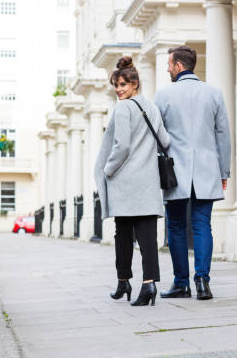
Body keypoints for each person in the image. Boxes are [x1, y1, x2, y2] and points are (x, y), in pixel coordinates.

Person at [154, 45, 231, 300]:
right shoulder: (214, 93)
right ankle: (202, 281)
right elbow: (223, 136)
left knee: (175, 227)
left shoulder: (163, 95)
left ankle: (181, 284)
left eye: (169, 64)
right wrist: (224, 171)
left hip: (175, 171)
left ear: (178, 65)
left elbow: (157, 136)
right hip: (207, 169)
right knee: (202, 225)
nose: (167, 68)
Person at [94, 56, 170, 307]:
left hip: (125, 181)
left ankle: (123, 280)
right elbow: (165, 141)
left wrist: (108, 169)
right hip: (147, 180)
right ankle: (149, 284)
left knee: (123, 235)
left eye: (123, 85)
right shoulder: (151, 106)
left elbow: (122, 145)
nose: (118, 90)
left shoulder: (124, 108)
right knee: (147, 236)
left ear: (135, 84)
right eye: (116, 85)